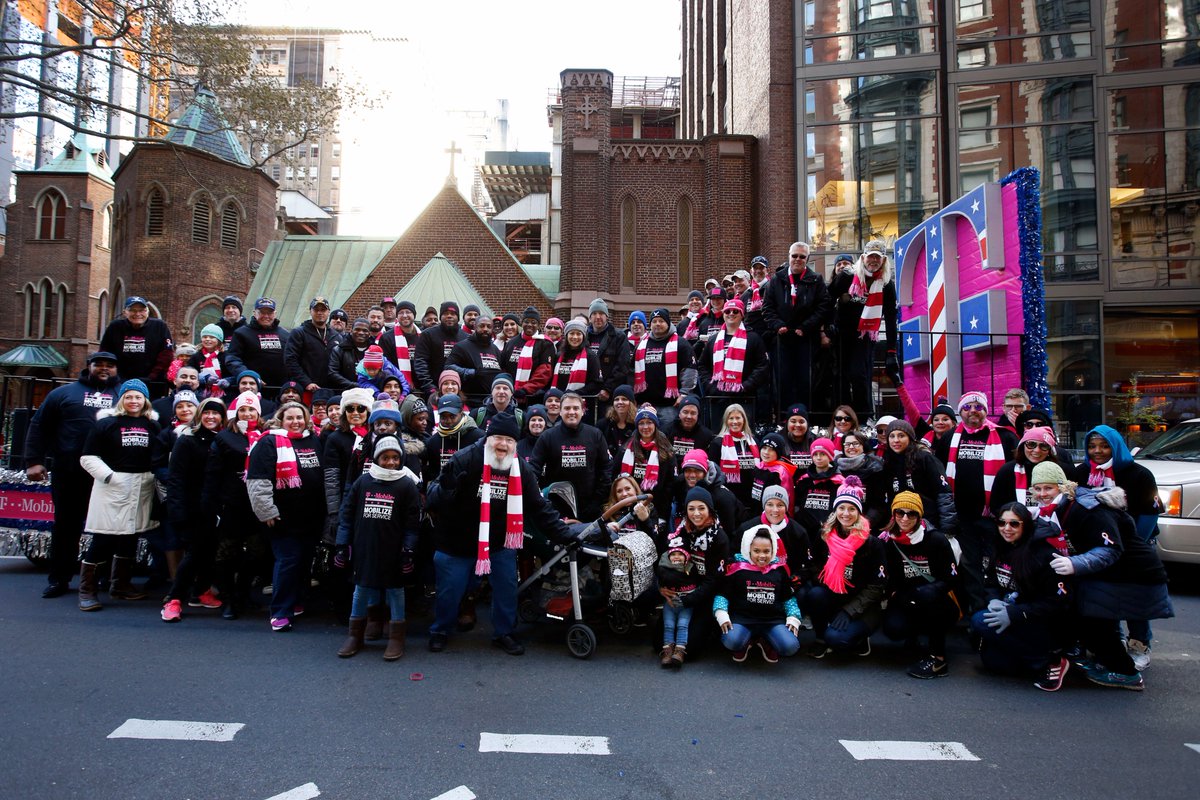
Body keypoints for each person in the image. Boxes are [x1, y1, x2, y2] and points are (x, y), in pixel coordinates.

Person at [426, 413, 572, 654]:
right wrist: (447, 488)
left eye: (509, 440)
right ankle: (440, 630)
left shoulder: (520, 468)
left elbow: (539, 506)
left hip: (498, 542)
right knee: (449, 592)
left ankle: (504, 632)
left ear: (515, 444)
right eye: (499, 438)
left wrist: (564, 534)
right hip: (456, 541)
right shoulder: (465, 459)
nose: (503, 445)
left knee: (506, 589)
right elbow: (432, 501)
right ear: (487, 439)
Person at [1031, 461, 1173, 691]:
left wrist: (1074, 563)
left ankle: (1126, 673)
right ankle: (1108, 661)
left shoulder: (1087, 509)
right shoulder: (1058, 510)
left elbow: (1110, 549)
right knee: (1086, 617)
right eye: (1037, 489)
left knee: (1091, 619)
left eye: (1048, 488)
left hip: (1132, 574)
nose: (1042, 494)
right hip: (1111, 574)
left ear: (1063, 487)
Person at [1069, 426, 1166, 672]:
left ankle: (1139, 644)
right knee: (1107, 597)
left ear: (1115, 446)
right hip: (1101, 548)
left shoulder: (1139, 474)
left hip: (1134, 547)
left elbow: (1149, 514)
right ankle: (1114, 642)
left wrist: (1128, 545)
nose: (1097, 451)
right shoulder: (1082, 473)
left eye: (1104, 446)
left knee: (1136, 599)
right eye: (1092, 446)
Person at [24, 352, 120, 597]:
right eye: (99, 364)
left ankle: (99, 577)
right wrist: (34, 461)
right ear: (89, 366)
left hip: (109, 475)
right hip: (69, 471)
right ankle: (59, 578)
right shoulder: (63, 394)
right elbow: (39, 425)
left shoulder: (122, 395)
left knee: (106, 528)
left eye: (110, 365)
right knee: (66, 526)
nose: (104, 369)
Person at [76, 379, 162, 611]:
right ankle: (87, 590)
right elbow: (88, 457)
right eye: (129, 396)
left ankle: (121, 585)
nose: (134, 401)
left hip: (143, 485)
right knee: (104, 539)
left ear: (145, 400)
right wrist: (110, 478)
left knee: (130, 537)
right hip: (113, 488)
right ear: (121, 399)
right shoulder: (106, 424)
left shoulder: (153, 426)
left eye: (138, 397)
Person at [333, 435, 421, 660]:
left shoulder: (406, 484)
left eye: (395, 458)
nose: (391, 462)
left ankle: (396, 637)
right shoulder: (363, 482)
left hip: (394, 551)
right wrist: (342, 544)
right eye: (385, 458)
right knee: (361, 590)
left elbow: (412, 524)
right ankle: (355, 635)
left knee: (395, 591)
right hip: (364, 548)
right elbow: (347, 515)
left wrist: (408, 550)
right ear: (376, 459)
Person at [970, 503, 1073, 691]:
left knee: (979, 621)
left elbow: (1057, 603)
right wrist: (993, 599)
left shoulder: (1044, 555)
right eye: (1002, 523)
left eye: (1014, 524)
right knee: (994, 663)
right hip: (1011, 611)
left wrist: (1016, 613)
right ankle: (1030, 660)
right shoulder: (998, 547)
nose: (1007, 529)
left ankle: (1051, 660)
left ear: (1025, 525)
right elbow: (990, 582)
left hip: (1039, 620)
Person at [246, 401, 326, 632]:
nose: (295, 422)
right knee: (288, 562)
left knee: (303, 562)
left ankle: (298, 601)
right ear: (281, 419)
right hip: (283, 518)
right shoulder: (269, 442)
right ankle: (280, 611)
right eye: (290, 418)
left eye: (299, 417)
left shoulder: (313, 439)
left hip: (310, 517)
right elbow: (257, 480)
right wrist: (266, 510)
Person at [944, 391, 1019, 613]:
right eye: (967, 407)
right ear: (960, 412)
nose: (973, 411)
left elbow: (1018, 472)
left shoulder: (1005, 437)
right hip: (964, 517)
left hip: (996, 517)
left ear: (986, 410)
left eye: (978, 407)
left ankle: (998, 608)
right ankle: (977, 611)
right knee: (971, 565)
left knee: (997, 564)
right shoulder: (950, 437)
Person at [201, 391, 268, 620]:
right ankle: (228, 598)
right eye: (243, 409)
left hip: (256, 505)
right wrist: (210, 506)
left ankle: (243, 592)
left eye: (251, 409)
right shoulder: (224, 438)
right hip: (231, 504)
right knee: (227, 554)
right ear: (235, 412)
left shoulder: (266, 436)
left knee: (257, 553)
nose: (247, 413)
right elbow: (212, 474)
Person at [879, 492, 961, 679]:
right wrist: (900, 597)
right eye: (900, 513)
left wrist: (928, 592)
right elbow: (887, 579)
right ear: (893, 514)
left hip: (936, 599)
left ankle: (938, 659)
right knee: (893, 628)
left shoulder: (936, 539)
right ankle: (914, 636)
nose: (905, 518)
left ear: (919, 516)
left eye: (911, 513)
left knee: (929, 601)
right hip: (905, 597)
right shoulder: (888, 541)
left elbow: (951, 578)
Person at [160, 397, 227, 622]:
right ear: (200, 414)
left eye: (216, 413)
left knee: (209, 552)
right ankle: (173, 599)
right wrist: (177, 510)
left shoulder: (223, 440)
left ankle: (201, 590)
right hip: (191, 507)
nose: (211, 417)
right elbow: (175, 478)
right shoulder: (186, 440)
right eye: (207, 412)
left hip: (215, 508)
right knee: (194, 554)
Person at [804, 476, 887, 658]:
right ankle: (820, 639)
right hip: (833, 595)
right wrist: (827, 582)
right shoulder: (824, 535)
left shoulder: (872, 543)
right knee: (815, 595)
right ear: (835, 510)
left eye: (852, 509)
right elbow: (813, 565)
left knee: (838, 640)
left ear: (859, 512)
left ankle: (860, 636)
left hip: (861, 604)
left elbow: (877, 586)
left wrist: (849, 611)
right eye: (841, 508)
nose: (846, 514)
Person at [828, 240, 899, 417]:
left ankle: (864, 417)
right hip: (842, 334)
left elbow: (890, 318)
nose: (873, 261)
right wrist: (826, 327)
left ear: (883, 261)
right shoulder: (846, 276)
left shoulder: (886, 284)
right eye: (870, 257)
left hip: (865, 335)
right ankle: (841, 417)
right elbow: (827, 300)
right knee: (841, 377)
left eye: (877, 257)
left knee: (860, 375)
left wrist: (891, 351)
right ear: (863, 258)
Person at [660, 485, 731, 657]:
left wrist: (688, 600)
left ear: (710, 510)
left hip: (706, 594)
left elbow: (714, 580)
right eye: (691, 509)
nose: (696, 513)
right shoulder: (682, 532)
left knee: (690, 648)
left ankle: (710, 629)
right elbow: (666, 563)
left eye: (701, 508)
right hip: (684, 588)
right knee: (658, 643)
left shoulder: (719, 537)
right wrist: (662, 586)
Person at [762, 241, 832, 415]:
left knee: (804, 379)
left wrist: (806, 327)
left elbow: (823, 307)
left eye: (802, 257)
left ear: (807, 259)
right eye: (794, 256)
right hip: (782, 338)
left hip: (805, 338)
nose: (798, 260)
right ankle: (784, 417)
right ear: (789, 256)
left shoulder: (816, 280)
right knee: (783, 379)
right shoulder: (776, 280)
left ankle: (804, 416)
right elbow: (767, 308)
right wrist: (778, 325)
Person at [714, 526, 803, 663]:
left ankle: (765, 641)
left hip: (772, 621)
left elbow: (788, 598)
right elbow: (723, 595)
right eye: (756, 551)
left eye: (766, 551)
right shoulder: (737, 569)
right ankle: (746, 642)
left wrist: (793, 617)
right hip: (743, 620)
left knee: (790, 647)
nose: (762, 556)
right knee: (732, 641)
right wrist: (721, 614)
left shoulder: (778, 570)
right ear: (748, 549)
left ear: (773, 551)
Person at [530, 392, 612, 521]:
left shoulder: (595, 434)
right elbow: (533, 469)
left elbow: (606, 469)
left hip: (590, 507)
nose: (571, 412)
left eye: (576, 408)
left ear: (583, 411)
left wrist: (597, 502)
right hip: (555, 507)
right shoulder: (547, 437)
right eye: (567, 408)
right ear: (560, 412)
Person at [698, 299, 769, 423]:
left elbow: (762, 366)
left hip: (744, 397)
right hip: (718, 397)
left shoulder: (753, 338)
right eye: (727, 311)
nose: (731, 314)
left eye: (735, 311)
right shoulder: (713, 340)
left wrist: (746, 386)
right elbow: (703, 366)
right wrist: (711, 387)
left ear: (742, 314)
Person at [632, 308, 697, 429]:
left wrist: (684, 393)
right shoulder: (641, 345)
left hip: (670, 406)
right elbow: (631, 372)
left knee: (666, 441)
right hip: (644, 404)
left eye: (661, 321)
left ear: (668, 323)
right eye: (654, 321)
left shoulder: (681, 344)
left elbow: (690, 370)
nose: (657, 324)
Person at [614, 406, 677, 515]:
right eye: (641, 423)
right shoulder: (626, 449)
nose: (645, 427)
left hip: (657, 506)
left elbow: (670, 485)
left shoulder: (667, 451)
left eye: (649, 422)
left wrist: (662, 513)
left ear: (656, 425)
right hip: (628, 506)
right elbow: (615, 475)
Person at [99, 295, 175, 385]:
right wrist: (114, 375)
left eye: (142, 310)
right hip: (118, 381)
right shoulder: (115, 327)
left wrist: (152, 377)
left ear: (147, 311)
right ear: (125, 312)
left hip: (152, 381)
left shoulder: (160, 326)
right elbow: (105, 352)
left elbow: (167, 354)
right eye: (133, 310)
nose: (138, 314)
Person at [989, 426, 1065, 515]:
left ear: (1050, 450)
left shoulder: (1060, 471)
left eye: (1043, 446)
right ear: (1022, 446)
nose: (1037, 450)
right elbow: (996, 506)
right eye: (1031, 444)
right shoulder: (1007, 471)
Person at [226, 297, 291, 390]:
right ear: (255, 313)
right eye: (262, 312)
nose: (266, 316)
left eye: (269, 313)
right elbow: (232, 359)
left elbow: (292, 359)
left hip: (281, 389)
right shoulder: (241, 333)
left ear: (275, 314)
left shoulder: (285, 334)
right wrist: (248, 375)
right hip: (252, 388)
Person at [705, 403, 759, 510]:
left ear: (744, 420)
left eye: (738, 418)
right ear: (726, 421)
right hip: (728, 499)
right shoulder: (717, 443)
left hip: (751, 498)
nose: (735, 422)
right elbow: (713, 473)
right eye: (731, 418)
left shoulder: (754, 442)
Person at [656, 535, 698, 668]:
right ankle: (668, 651)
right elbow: (658, 582)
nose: (677, 557)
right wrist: (660, 588)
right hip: (670, 603)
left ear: (686, 556)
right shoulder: (663, 569)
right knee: (668, 625)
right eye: (673, 554)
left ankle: (680, 650)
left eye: (680, 554)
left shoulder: (692, 569)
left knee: (682, 624)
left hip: (686, 604)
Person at [501, 307, 555, 406]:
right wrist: (508, 387)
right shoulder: (511, 342)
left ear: (539, 325)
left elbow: (544, 372)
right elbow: (504, 368)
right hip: (511, 396)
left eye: (533, 322)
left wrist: (525, 389)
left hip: (534, 397)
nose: (530, 325)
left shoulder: (545, 344)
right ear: (521, 323)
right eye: (526, 321)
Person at [414, 301, 468, 399]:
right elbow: (420, 362)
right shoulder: (428, 335)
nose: (449, 316)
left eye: (452, 314)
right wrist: (430, 388)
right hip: (433, 392)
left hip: (460, 392)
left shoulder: (466, 338)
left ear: (458, 317)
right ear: (440, 317)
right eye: (445, 313)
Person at [285, 296, 340, 393]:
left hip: (330, 389)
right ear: (310, 311)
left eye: (323, 310)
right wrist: (306, 382)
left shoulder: (336, 336)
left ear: (328, 312)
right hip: (305, 388)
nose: (320, 313)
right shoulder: (299, 333)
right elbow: (290, 360)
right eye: (316, 310)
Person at [792, 437, 843, 540]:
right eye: (815, 454)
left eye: (823, 454)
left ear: (830, 456)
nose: (818, 458)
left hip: (829, 532)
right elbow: (796, 503)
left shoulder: (839, 482)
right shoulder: (803, 480)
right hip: (805, 531)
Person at [585, 298, 631, 409]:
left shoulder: (618, 336)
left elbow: (622, 366)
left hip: (608, 394)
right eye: (594, 313)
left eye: (601, 313)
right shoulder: (583, 336)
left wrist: (607, 389)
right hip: (586, 392)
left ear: (607, 316)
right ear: (590, 318)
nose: (598, 317)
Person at [447, 315, 504, 399]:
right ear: (475, 327)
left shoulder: (495, 349)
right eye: (482, 326)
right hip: (470, 400)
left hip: (492, 401)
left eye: (488, 327)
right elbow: (448, 367)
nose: (485, 329)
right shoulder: (462, 346)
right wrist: (472, 372)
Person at [550, 319, 603, 397]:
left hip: (580, 401)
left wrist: (575, 393)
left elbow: (596, 384)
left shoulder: (591, 356)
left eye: (578, 334)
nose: (575, 337)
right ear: (566, 336)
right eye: (572, 333)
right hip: (558, 400)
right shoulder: (558, 356)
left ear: (583, 336)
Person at [378, 300, 421, 391]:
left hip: (421, 385)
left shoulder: (423, 336)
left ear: (414, 315)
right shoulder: (386, 338)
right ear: (397, 316)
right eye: (401, 313)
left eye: (408, 312)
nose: (405, 315)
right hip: (397, 386)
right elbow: (386, 365)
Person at [328, 318, 374, 391]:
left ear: (369, 333)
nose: (361, 333)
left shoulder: (375, 351)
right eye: (357, 329)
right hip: (344, 391)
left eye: (365, 330)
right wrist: (353, 385)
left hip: (370, 391)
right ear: (351, 331)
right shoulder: (339, 350)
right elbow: (332, 373)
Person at [663, 395, 713, 460]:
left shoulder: (706, 435)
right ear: (679, 413)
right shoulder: (666, 431)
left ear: (698, 415)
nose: (689, 416)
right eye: (685, 412)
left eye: (693, 413)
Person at [598, 384, 637, 462]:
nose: (620, 402)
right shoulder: (603, 424)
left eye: (624, 399)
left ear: (631, 403)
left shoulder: (637, 424)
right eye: (616, 399)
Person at [780, 402, 816, 470]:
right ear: (787, 423)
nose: (797, 425)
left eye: (801, 422)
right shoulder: (778, 440)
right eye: (793, 421)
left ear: (807, 424)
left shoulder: (815, 441)